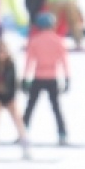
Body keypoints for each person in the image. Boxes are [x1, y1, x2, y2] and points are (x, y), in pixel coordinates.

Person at [22, 12, 71, 144]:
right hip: (52, 77)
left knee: (30, 106)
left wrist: (25, 79)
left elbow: (29, 61)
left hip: (38, 76)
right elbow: (64, 61)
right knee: (56, 107)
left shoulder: (35, 41)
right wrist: (67, 78)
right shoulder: (58, 41)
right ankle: (62, 134)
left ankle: (22, 131)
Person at [0, 37, 29, 159]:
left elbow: (14, 83)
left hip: (9, 96)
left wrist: (13, 97)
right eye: (0, 52)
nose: (2, 54)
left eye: (4, 52)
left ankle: (25, 148)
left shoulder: (11, 65)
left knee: (17, 120)